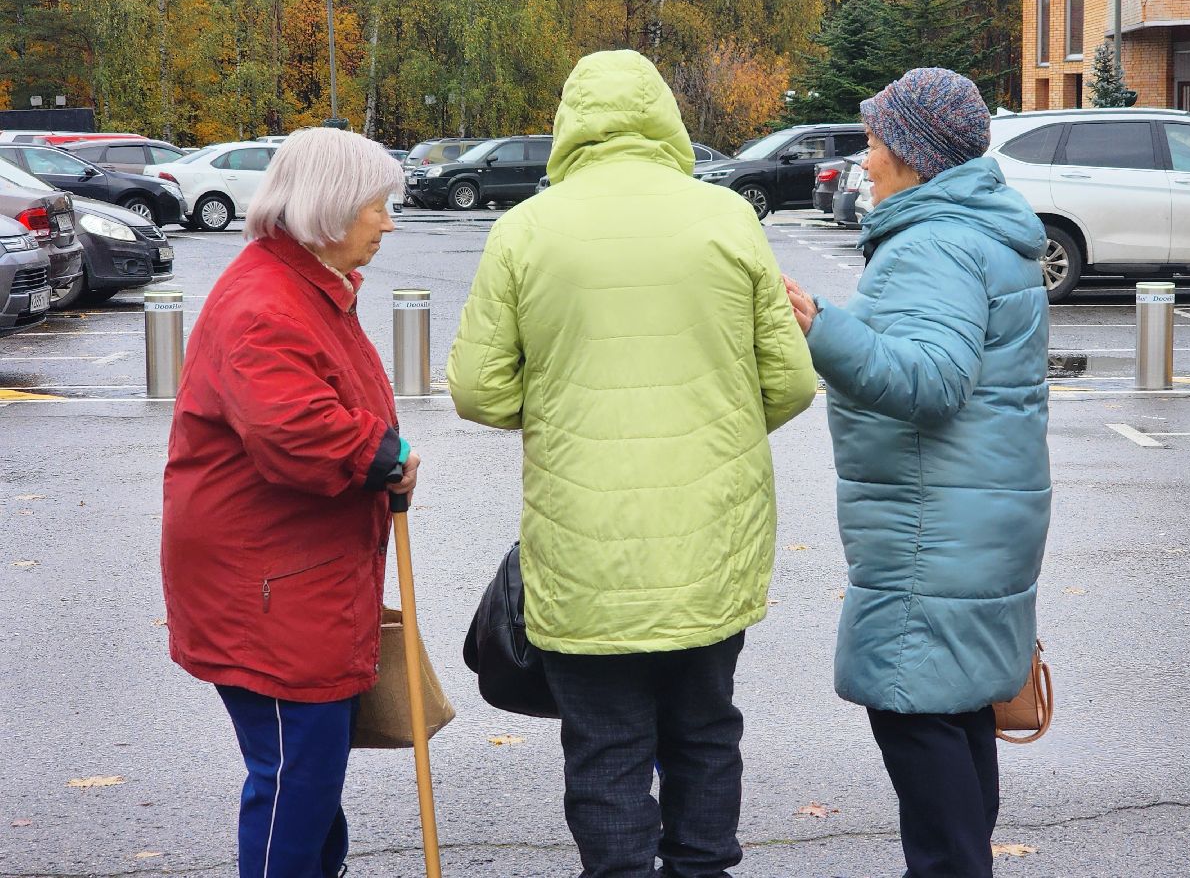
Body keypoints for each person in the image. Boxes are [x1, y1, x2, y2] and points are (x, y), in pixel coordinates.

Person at [448, 49, 815, 878]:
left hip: (584, 548)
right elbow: (791, 383)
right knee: (706, 733)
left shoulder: (526, 229)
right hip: (709, 543)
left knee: (606, 748)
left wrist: (558, 408)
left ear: (571, 121)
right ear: (666, 117)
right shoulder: (726, 219)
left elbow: (477, 390)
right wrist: (716, 419)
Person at [784, 68, 1052, 878]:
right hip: (971, 517)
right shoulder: (974, 232)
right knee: (956, 712)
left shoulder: (935, 242)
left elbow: (932, 381)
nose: (863, 159)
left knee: (915, 718)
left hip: (935, 526)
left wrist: (819, 326)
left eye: (873, 141)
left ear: (914, 153)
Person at [161, 128, 420, 878]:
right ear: (334, 210)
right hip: (269, 591)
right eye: (380, 205)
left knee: (309, 777)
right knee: (294, 783)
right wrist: (385, 455)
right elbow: (294, 430)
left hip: (294, 577)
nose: (389, 221)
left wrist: (384, 454)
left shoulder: (304, 286)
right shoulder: (268, 302)